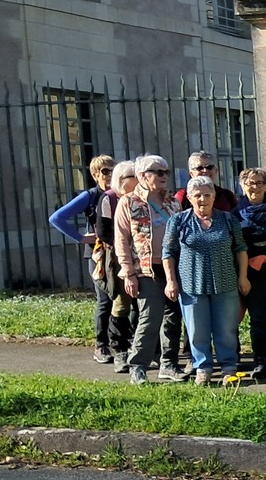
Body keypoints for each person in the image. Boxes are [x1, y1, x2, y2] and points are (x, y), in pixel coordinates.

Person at [161, 175, 248, 385]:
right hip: (191, 284)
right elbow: (168, 252)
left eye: (207, 195)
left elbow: (241, 249)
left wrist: (243, 277)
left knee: (226, 329)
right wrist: (171, 281)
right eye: (198, 195)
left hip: (225, 282)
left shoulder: (228, 219)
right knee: (196, 330)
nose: (203, 199)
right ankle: (203, 367)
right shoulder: (178, 221)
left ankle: (228, 367)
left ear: (214, 196)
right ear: (190, 198)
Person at [115, 154, 183, 385]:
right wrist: (128, 273)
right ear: (142, 176)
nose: (164, 176)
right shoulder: (129, 202)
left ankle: (169, 364)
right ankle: (138, 366)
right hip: (146, 269)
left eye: (166, 172)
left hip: (173, 267)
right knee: (150, 316)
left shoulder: (173, 202)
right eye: (158, 172)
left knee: (173, 317)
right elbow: (121, 240)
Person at [49, 154, 116, 362]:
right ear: (95, 175)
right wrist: (80, 237)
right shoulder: (91, 196)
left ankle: (123, 343)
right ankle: (101, 346)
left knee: (123, 301)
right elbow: (57, 218)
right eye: (105, 171)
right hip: (98, 255)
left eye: (113, 170)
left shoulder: (120, 194)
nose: (110, 174)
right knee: (105, 299)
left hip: (120, 252)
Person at [235, 168, 266, 381]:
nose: (255, 187)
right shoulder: (236, 213)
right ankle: (260, 361)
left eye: (260, 183)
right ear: (242, 185)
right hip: (251, 273)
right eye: (250, 183)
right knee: (257, 319)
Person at [98, 161, 138, 370]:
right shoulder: (109, 198)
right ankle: (119, 349)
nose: (139, 179)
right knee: (121, 304)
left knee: (143, 306)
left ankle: (142, 348)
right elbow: (103, 232)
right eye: (134, 176)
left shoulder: (144, 198)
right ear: (122, 180)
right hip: (119, 258)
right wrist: (125, 246)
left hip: (144, 259)